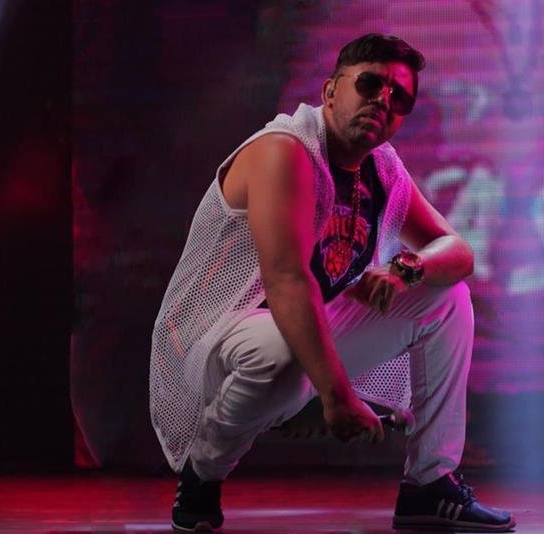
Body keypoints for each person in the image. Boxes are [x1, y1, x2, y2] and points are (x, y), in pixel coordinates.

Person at [150, 33, 516, 532]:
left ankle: (429, 484)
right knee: (281, 353)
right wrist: (336, 395)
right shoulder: (285, 150)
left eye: (399, 97)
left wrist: (406, 268)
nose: (383, 101)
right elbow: (286, 280)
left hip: (302, 331)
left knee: (447, 296)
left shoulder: (381, 167)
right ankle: (202, 473)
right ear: (329, 91)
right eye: (369, 84)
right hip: (217, 336)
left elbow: (458, 252)